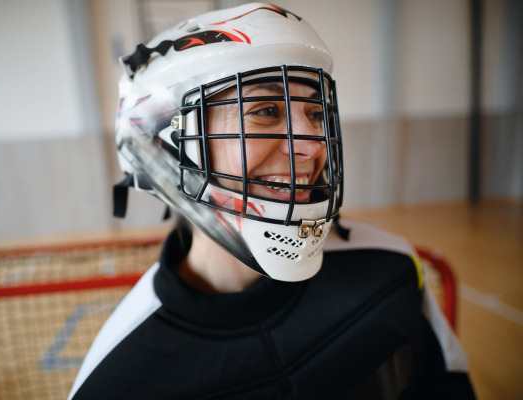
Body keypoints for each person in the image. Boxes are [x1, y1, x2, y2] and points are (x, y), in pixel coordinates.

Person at [68, 3, 476, 399]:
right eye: (264, 110)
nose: (313, 146)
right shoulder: (118, 378)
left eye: (315, 115)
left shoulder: (391, 270)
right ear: (165, 146)